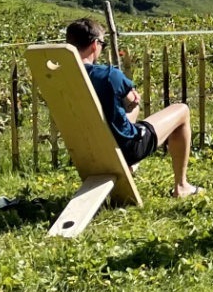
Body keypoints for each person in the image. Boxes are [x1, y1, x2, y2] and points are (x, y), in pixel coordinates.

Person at [66, 17, 200, 197]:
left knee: (130, 110)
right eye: (103, 45)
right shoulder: (108, 75)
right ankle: (182, 186)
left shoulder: (63, 78)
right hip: (127, 147)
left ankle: (128, 165)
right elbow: (132, 98)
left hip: (87, 150)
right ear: (94, 45)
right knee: (181, 110)